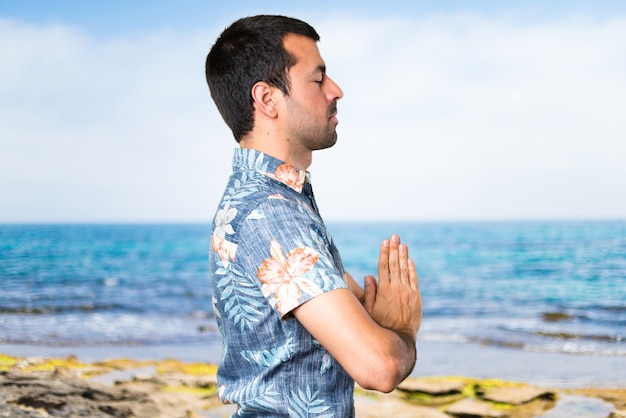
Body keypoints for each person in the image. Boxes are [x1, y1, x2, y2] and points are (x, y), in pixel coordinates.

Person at [205, 14, 422, 417]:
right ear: (267, 99)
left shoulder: (275, 200)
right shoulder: (271, 213)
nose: (336, 90)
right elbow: (380, 367)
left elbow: (337, 324)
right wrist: (403, 332)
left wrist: (372, 321)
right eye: (318, 78)